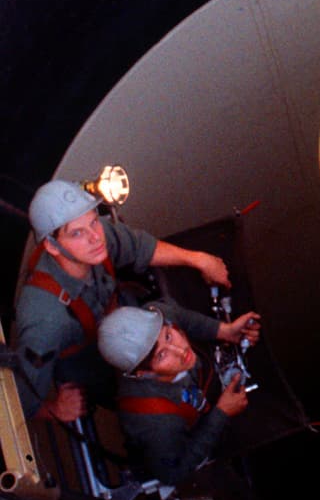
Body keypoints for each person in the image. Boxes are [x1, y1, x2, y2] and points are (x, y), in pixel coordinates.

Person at [13, 178, 233, 421]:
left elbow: (139, 247)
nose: (95, 237)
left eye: (94, 222)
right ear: (52, 247)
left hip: (120, 315)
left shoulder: (97, 236)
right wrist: (55, 409)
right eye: (77, 233)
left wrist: (199, 259)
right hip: (94, 362)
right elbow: (20, 399)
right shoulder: (44, 321)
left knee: (173, 321)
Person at [97, 299, 260, 485]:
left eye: (168, 336)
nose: (180, 350)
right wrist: (221, 414)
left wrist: (224, 330)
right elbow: (172, 473)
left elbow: (185, 319)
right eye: (161, 355)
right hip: (180, 437)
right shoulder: (154, 422)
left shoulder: (156, 317)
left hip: (197, 392)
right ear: (143, 373)